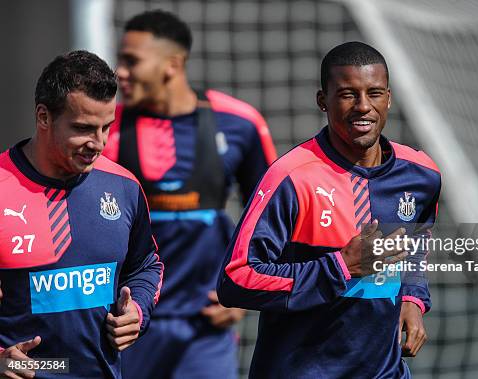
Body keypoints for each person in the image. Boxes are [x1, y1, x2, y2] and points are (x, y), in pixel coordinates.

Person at [217, 41, 441, 378]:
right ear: (323, 101)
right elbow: (236, 279)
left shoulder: (421, 174)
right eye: (348, 94)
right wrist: (340, 266)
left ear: (389, 98)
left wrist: (412, 296)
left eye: (375, 93)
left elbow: (416, 241)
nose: (363, 106)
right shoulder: (291, 177)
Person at [103, 10, 277, 379]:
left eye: (131, 61)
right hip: (127, 326)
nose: (120, 71)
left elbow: (271, 218)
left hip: (204, 329)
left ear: (172, 64)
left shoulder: (239, 123)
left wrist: (248, 295)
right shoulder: (105, 130)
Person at [0, 50, 163, 378]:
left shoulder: (123, 186)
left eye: (106, 127)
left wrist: (137, 311)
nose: (99, 142)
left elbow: (146, 265)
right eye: (84, 128)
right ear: (43, 117)